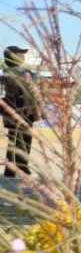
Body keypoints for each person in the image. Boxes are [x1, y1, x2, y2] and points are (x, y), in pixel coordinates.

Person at [2, 45, 41, 177]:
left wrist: (37, 73)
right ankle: (15, 168)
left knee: (25, 138)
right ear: (13, 56)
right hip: (16, 108)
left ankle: (20, 166)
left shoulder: (23, 71)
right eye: (20, 54)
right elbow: (23, 84)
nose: (23, 56)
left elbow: (34, 83)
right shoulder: (9, 71)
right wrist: (35, 75)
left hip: (26, 109)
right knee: (17, 139)